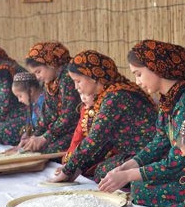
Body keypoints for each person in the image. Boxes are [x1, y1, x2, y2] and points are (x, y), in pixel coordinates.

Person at [98, 40, 185, 207]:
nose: (137, 82)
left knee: (141, 189)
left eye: (138, 74)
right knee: (110, 170)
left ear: (156, 67)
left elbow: (178, 160)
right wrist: (126, 166)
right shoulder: (169, 99)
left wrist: (129, 175)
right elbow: (160, 142)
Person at [50, 50, 157, 184]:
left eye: (78, 81)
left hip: (147, 154)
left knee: (103, 172)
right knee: (100, 170)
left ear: (93, 76)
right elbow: (105, 139)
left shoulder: (115, 96)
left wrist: (69, 170)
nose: (76, 87)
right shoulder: (111, 92)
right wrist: (77, 167)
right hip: (138, 153)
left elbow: (95, 138)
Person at [19, 42, 80, 153]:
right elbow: (47, 113)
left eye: (38, 72)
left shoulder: (68, 77)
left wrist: (45, 137)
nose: (38, 77)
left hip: (75, 130)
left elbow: (70, 115)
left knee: (47, 150)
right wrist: (34, 137)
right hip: (59, 130)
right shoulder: (52, 82)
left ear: (50, 64)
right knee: (34, 147)